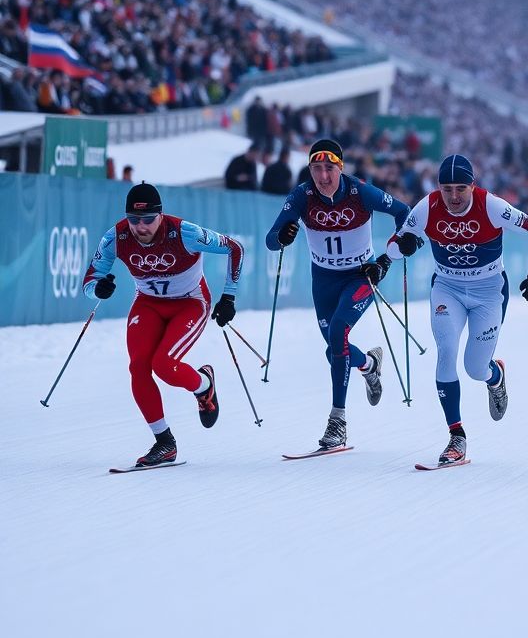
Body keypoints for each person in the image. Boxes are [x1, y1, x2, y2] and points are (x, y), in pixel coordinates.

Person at [385, 153, 528, 467]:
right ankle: (456, 436)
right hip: (447, 289)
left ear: (473, 186)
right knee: (446, 351)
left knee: (475, 368)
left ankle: (494, 377)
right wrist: (401, 245)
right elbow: (394, 245)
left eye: (461, 188)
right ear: (439, 188)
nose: (454, 197)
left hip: (488, 294)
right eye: (447, 189)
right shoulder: (428, 207)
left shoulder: (492, 206)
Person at [82, 182, 244, 467]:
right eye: (134, 219)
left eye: (147, 220)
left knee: (164, 365)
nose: (140, 227)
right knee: (139, 366)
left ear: (160, 215)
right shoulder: (115, 237)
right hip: (148, 303)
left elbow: (235, 249)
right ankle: (164, 443)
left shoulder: (185, 232)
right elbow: (89, 282)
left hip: (190, 303)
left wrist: (228, 297)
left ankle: (204, 385)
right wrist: (99, 289)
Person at [265, 139, 410, 453]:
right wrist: (283, 236)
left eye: (329, 168)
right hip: (324, 280)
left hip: (360, 276)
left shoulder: (360, 192)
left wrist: (387, 260)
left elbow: (403, 213)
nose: (323, 176)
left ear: (340, 169)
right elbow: (270, 241)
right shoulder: (301, 196)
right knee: (335, 347)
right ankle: (370, 365)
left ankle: (338, 422)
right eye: (316, 168)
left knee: (338, 331)